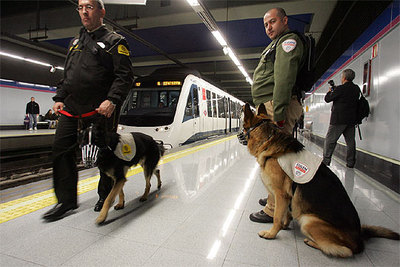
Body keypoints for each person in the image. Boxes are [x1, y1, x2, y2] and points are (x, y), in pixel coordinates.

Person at [42, 0, 134, 222]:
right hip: (72, 107)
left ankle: (105, 196)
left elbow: (125, 76)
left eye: (89, 6)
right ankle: (66, 201)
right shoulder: (75, 43)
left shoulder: (115, 42)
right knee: (61, 150)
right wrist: (59, 98)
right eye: (81, 7)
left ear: (101, 11)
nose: (84, 11)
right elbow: (68, 75)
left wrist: (112, 100)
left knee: (104, 154)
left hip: (100, 109)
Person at [249, 7, 305, 223]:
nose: (268, 27)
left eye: (272, 22)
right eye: (265, 24)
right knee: (271, 159)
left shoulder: (287, 42)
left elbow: (283, 79)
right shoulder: (277, 44)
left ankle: (275, 210)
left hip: (276, 105)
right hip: (271, 105)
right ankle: (274, 198)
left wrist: (279, 112)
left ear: (284, 20)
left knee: (274, 159)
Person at [323, 69, 360, 168]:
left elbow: (327, 99)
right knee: (351, 142)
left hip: (338, 120)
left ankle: (326, 162)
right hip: (351, 120)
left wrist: (330, 92)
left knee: (330, 140)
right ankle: (351, 162)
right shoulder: (356, 89)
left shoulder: (340, 88)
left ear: (344, 78)